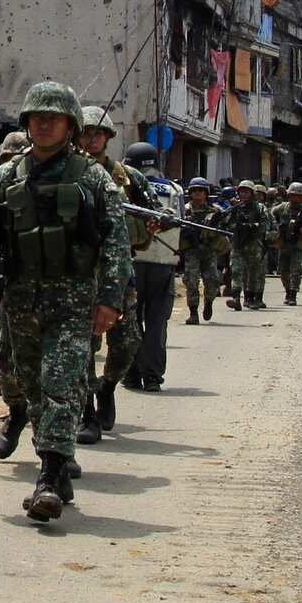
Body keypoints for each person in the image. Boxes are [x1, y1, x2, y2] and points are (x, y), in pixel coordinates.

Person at [0, 81, 131, 522]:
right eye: (37, 117)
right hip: (20, 302)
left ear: (70, 125)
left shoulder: (92, 178)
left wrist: (110, 299)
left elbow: (116, 243)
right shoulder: (7, 177)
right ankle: (56, 467)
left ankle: (49, 477)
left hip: (72, 301)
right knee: (32, 388)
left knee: (61, 384)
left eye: (54, 118)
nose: (44, 124)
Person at [75, 106, 148, 442]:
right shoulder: (70, 172)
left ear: (107, 137)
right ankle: (87, 411)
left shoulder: (126, 177)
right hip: (79, 271)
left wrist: (153, 222)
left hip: (118, 272)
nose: (91, 139)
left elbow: (152, 209)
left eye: (98, 133)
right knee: (83, 346)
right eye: (85, 133)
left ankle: (106, 386)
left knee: (128, 342)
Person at [123, 142, 180, 394]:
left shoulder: (124, 185)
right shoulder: (175, 189)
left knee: (130, 321)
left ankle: (131, 374)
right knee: (157, 323)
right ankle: (153, 377)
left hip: (132, 261)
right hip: (163, 264)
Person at [180, 177, 227, 324]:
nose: (198, 193)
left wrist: (218, 222)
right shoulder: (184, 210)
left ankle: (209, 302)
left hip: (209, 250)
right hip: (191, 251)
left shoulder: (215, 211)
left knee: (212, 280)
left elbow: (226, 228)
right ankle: (193, 312)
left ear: (206, 193)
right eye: (194, 190)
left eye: (201, 190)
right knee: (191, 281)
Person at [226, 180, 267, 310]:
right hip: (237, 243)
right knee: (236, 271)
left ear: (252, 193)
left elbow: (264, 225)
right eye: (241, 192)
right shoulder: (235, 208)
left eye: (246, 192)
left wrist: (251, 226)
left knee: (253, 273)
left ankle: (251, 298)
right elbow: (227, 224)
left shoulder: (260, 208)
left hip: (253, 244)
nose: (243, 194)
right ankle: (236, 298)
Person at [270, 182, 302, 305]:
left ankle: (293, 294)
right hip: (283, 243)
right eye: (293, 195)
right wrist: (276, 229)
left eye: (299, 196)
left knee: (296, 270)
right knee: (283, 271)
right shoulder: (281, 208)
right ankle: (287, 290)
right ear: (289, 195)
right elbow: (270, 217)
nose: (296, 198)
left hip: (298, 243)